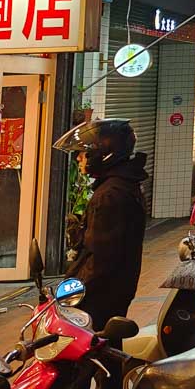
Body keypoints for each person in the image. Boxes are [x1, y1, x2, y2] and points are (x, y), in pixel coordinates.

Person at [55, 119, 148, 330]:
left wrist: (73, 292)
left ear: (103, 154)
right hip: (114, 290)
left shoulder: (109, 195)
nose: (78, 158)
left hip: (99, 295)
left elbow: (101, 259)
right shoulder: (122, 185)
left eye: (84, 152)